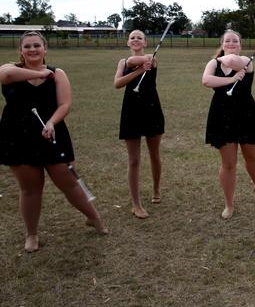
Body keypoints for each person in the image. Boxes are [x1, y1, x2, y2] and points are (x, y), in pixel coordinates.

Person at [0, 31, 108, 253]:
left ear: (45, 49)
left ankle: (94, 217)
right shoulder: (9, 70)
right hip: (17, 136)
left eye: (37, 45)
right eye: (27, 46)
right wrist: (40, 73)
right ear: (20, 51)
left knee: (69, 182)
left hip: (52, 133)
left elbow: (65, 104)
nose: (32, 49)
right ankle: (31, 234)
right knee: (30, 189)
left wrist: (51, 122)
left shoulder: (57, 73)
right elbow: (5, 74)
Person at [202, 29, 255, 220]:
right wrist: (231, 79)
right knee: (229, 163)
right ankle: (229, 204)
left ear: (240, 45)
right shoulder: (213, 63)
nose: (231, 44)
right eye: (227, 41)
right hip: (222, 115)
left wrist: (227, 61)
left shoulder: (247, 62)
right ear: (222, 44)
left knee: (251, 157)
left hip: (246, 113)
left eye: (235, 41)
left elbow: (232, 62)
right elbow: (206, 80)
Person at [113, 30, 165, 219]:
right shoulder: (124, 62)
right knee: (133, 160)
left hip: (152, 110)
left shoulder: (152, 58)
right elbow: (117, 83)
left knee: (154, 154)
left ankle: (157, 189)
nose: (135, 40)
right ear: (128, 43)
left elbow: (144, 60)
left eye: (139, 38)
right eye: (132, 37)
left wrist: (144, 64)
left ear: (145, 42)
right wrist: (139, 70)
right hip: (131, 111)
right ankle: (136, 204)